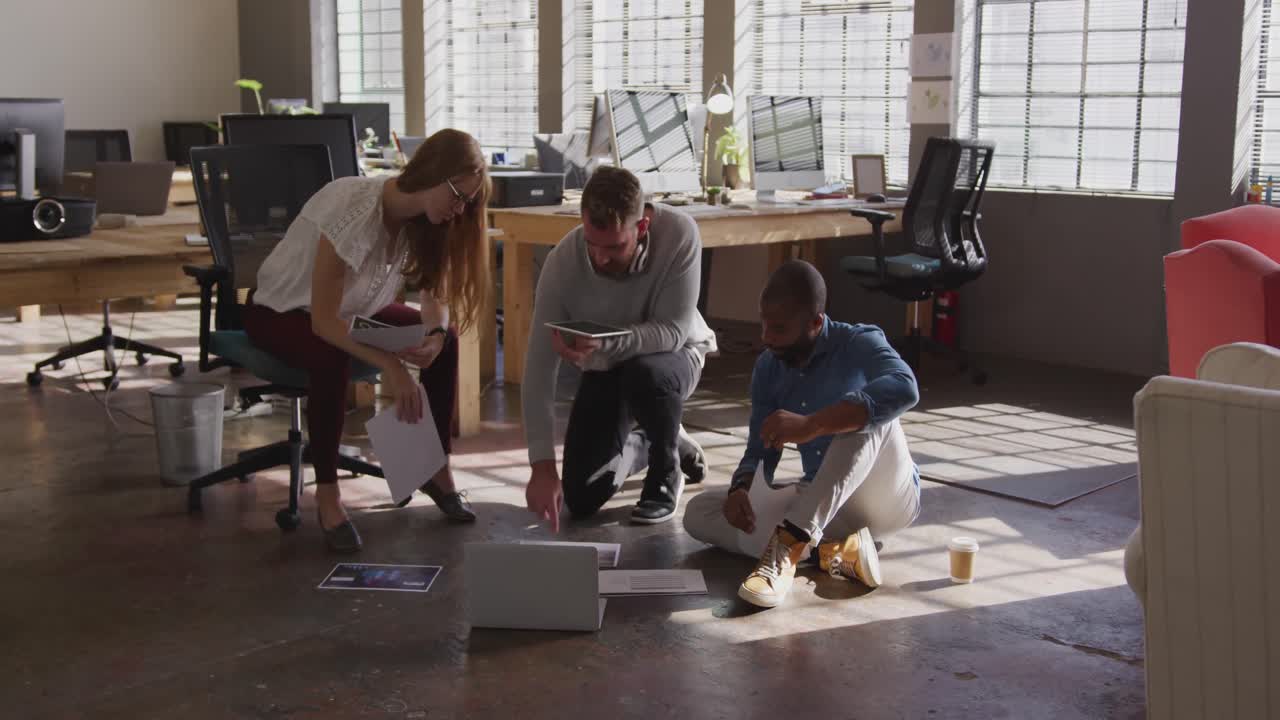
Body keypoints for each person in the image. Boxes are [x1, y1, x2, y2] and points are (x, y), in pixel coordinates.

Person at [243, 129, 489, 552]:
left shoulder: (427, 222)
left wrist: (431, 334)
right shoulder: (352, 204)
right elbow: (324, 321)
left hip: (354, 312)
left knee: (445, 340)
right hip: (281, 311)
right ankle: (327, 495)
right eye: (458, 196)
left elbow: (434, 296)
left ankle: (433, 469)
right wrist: (393, 366)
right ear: (433, 173)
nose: (460, 209)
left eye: (468, 201)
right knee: (329, 355)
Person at [683, 260, 922, 608]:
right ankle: (834, 552)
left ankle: (784, 552)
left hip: (886, 499)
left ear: (816, 322)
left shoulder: (859, 341)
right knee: (699, 512)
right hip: (822, 503)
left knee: (863, 417)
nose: (766, 337)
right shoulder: (768, 365)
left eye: (778, 328)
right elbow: (760, 445)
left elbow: (905, 387)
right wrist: (741, 487)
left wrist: (815, 424)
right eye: (764, 323)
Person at [522, 166, 718, 529]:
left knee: (646, 373)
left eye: (613, 246)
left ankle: (665, 469)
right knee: (581, 497)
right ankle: (654, 438)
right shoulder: (562, 262)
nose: (600, 258)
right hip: (607, 367)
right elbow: (538, 367)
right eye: (591, 244)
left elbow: (671, 333)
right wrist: (542, 466)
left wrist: (603, 345)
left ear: (641, 227)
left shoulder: (679, 233)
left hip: (674, 360)